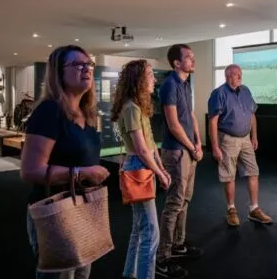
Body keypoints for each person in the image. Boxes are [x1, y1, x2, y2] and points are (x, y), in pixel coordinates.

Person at [20, 45, 110, 279]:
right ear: (58, 73)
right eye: (77, 64)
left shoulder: (86, 113)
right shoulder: (49, 111)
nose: (86, 68)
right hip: (56, 210)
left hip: (83, 208)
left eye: (89, 64)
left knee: (82, 273)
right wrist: (83, 172)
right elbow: (30, 171)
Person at [111, 59, 171, 279]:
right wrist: (160, 172)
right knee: (151, 232)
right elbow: (142, 149)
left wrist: (161, 167)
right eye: (149, 74)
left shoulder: (138, 106)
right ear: (138, 79)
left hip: (141, 166)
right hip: (139, 167)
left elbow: (151, 143)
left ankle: (130, 272)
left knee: (140, 227)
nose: (154, 79)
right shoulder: (131, 108)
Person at [156, 44, 203, 279]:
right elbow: (173, 125)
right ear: (176, 63)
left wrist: (198, 142)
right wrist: (190, 147)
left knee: (185, 199)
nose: (193, 60)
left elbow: (191, 116)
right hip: (176, 152)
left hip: (188, 149)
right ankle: (162, 259)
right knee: (174, 203)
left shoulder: (185, 84)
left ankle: (177, 246)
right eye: (188, 57)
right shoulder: (169, 85)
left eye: (192, 57)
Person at [207, 64, 272, 227]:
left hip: (246, 139)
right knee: (229, 175)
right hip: (227, 139)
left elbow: (252, 115)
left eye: (240, 74)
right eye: (236, 74)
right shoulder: (218, 94)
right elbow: (213, 122)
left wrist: (254, 136)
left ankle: (254, 209)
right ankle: (231, 210)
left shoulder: (246, 91)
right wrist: (214, 146)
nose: (239, 76)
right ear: (227, 76)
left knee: (253, 172)